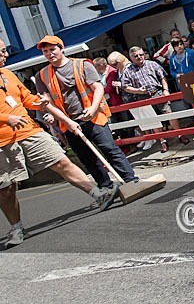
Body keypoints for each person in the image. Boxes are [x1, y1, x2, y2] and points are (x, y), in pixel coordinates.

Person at [0, 38, 119, 248]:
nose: (5, 55)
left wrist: (40, 102)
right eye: (1, 51)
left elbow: (26, 98)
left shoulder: (8, 74)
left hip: (29, 130)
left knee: (61, 161)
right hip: (2, 140)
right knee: (7, 188)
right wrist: (5, 119)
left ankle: (97, 194)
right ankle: (16, 228)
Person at [34, 36, 138, 191]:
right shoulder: (42, 76)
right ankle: (106, 187)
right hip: (68, 123)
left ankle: (131, 180)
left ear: (61, 49)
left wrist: (93, 108)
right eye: (45, 51)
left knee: (109, 149)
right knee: (87, 158)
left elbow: (98, 88)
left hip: (93, 116)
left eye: (52, 49)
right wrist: (67, 122)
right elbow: (47, 103)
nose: (49, 54)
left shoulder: (82, 65)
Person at [120, 46, 181, 152]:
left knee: (169, 113)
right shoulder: (128, 70)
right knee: (153, 120)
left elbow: (162, 77)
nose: (139, 57)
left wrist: (165, 89)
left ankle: (180, 135)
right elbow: (125, 87)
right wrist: (138, 91)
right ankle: (162, 141)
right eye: (136, 56)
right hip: (142, 96)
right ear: (131, 58)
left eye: (141, 54)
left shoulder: (152, 64)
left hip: (157, 92)